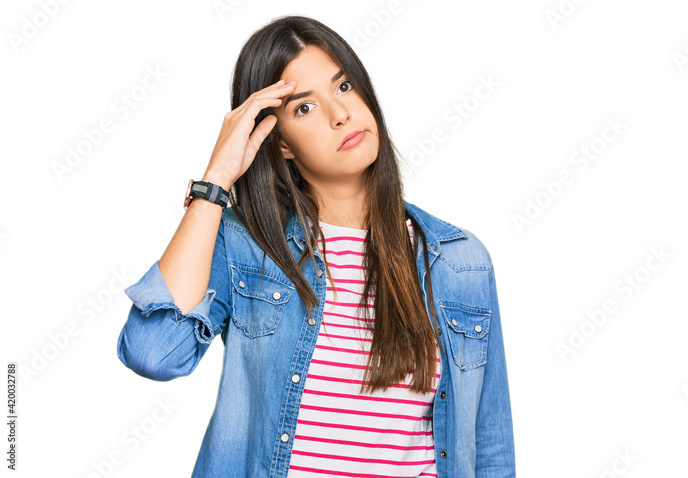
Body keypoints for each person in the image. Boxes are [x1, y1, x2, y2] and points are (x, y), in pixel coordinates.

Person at [115, 15, 514, 478]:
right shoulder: (246, 247)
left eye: (344, 87)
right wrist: (216, 181)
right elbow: (154, 352)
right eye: (304, 108)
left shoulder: (460, 262)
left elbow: (490, 451)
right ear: (278, 142)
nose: (339, 114)